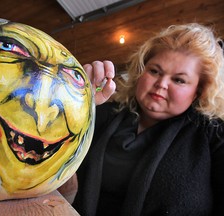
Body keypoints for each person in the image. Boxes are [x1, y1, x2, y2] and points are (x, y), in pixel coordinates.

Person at [70, 23, 224, 216]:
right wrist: (78, 101)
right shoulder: (105, 112)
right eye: (155, 71)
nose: (161, 84)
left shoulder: (214, 135)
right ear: (141, 72)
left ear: (198, 92)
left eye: (179, 80)